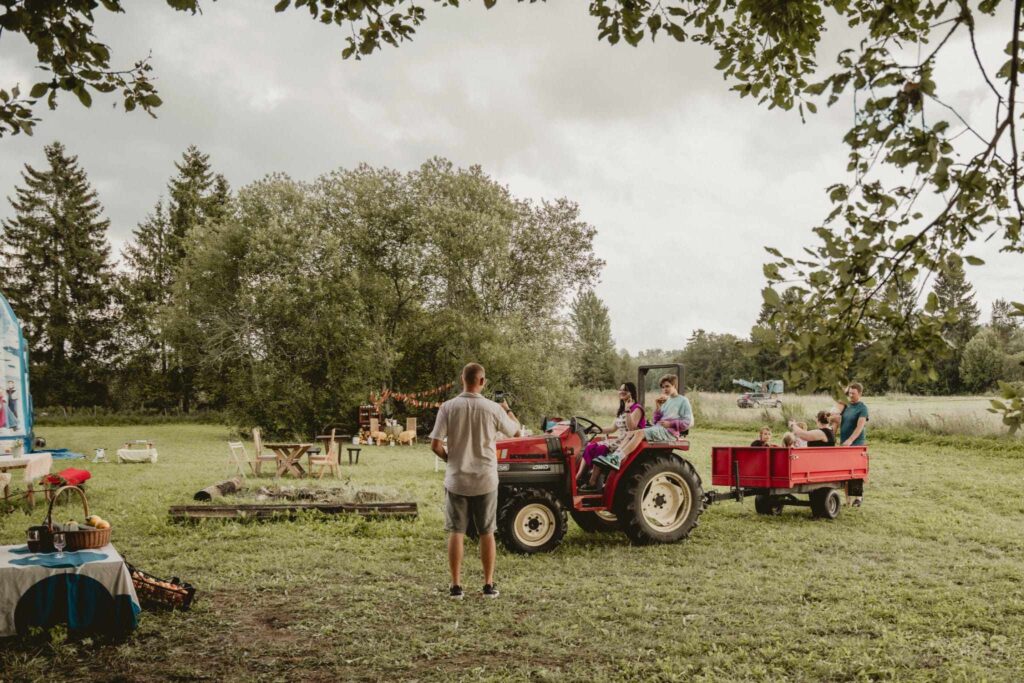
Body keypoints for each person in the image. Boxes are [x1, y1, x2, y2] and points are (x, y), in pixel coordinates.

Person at [430, 363, 521, 600]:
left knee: (456, 532)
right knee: (487, 532)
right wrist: (508, 410)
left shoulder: (448, 407)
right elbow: (516, 432)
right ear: (482, 382)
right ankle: (488, 585)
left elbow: (435, 445)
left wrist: (450, 459)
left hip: (457, 479)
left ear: (463, 379)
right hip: (486, 480)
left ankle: (456, 586)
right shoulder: (493, 409)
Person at [592, 374, 693, 475]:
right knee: (630, 433)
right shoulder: (666, 401)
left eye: (667, 386)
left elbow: (688, 422)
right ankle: (615, 456)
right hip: (659, 429)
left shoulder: (683, 401)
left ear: (674, 385)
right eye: (662, 387)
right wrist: (658, 407)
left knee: (640, 433)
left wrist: (670, 423)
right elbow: (655, 420)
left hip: (670, 433)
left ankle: (617, 458)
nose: (664, 389)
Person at [577, 382, 645, 490]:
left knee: (601, 448)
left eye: (625, 390)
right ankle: (578, 477)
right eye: (620, 389)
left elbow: (632, 428)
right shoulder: (622, 408)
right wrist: (593, 429)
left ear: (631, 393)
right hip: (619, 439)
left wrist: (628, 410)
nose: (621, 392)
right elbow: (612, 428)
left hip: (629, 440)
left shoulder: (637, 408)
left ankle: (592, 482)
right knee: (590, 447)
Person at [839, 382, 869, 506]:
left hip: (856, 443)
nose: (851, 395)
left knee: (855, 472)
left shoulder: (862, 408)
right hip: (844, 442)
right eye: (849, 393)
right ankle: (847, 500)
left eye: (854, 393)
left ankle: (858, 498)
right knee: (845, 472)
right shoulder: (846, 406)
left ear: (860, 394)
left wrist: (851, 440)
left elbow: (860, 426)